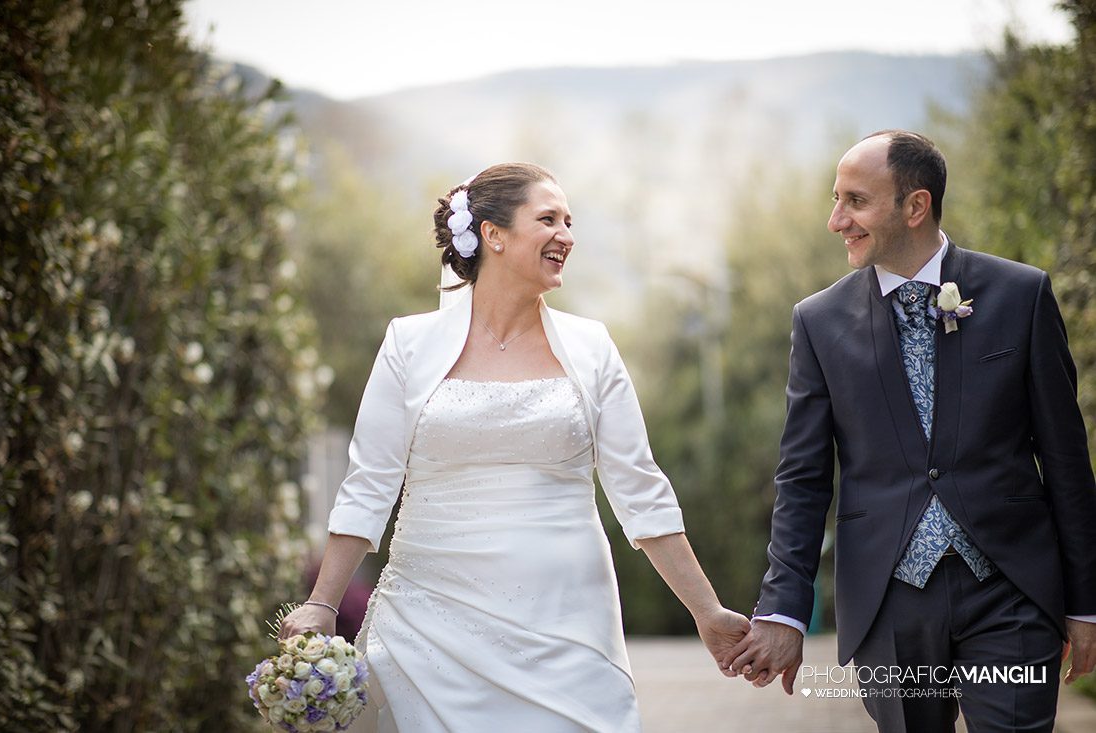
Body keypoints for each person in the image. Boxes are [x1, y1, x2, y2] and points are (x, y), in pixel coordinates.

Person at [279, 162, 749, 731]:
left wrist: (706, 611)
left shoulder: (591, 347)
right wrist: (323, 603)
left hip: (567, 624)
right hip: (428, 623)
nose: (567, 236)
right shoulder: (409, 343)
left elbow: (641, 491)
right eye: (548, 219)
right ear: (493, 234)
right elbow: (370, 481)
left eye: (570, 222)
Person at [726, 130, 1096, 731]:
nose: (835, 220)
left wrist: (1086, 602)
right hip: (890, 601)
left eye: (855, 201)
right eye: (835, 199)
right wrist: (784, 612)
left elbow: (1066, 461)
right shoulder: (818, 323)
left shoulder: (1020, 295)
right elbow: (802, 478)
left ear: (915, 206)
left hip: (1010, 592)